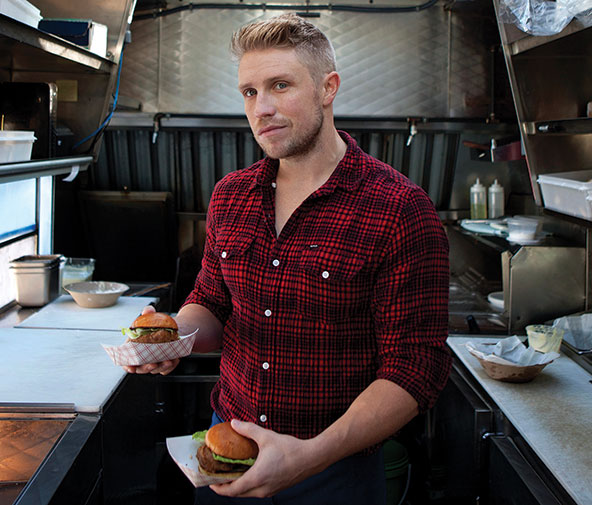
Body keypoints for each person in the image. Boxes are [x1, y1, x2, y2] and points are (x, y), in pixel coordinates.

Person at [125, 13, 451, 504]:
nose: (263, 108)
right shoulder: (230, 196)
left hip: (333, 468)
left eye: (280, 85)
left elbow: (416, 366)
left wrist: (313, 454)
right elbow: (211, 303)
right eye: (250, 92)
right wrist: (173, 335)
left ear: (328, 87)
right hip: (223, 446)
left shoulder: (400, 208)